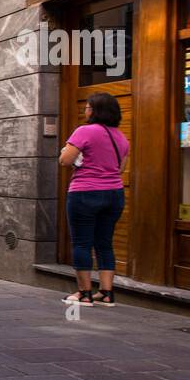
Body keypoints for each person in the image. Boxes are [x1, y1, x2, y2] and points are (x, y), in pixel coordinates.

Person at [59, 91, 129, 306]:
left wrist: (69, 153)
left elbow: (65, 160)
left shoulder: (84, 131)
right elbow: (121, 168)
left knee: (81, 243)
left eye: (88, 107)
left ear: (94, 110)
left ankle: (84, 293)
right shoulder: (121, 136)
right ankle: (106, 293)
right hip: (114, 194)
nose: (85, 111)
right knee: (104, 243)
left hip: (85, 192)